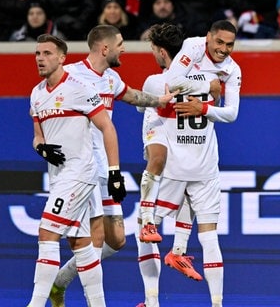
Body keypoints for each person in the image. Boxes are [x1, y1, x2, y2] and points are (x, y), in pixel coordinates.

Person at [47, 24, 205, 307]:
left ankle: (59, 281)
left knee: (116, 240)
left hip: (105, 167)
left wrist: (160, 100)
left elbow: (132, 96)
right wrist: (45, 142)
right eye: (120, 43)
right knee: (93, 238)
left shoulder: (111, 78)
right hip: (79, 168)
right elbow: (43, 101)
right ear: (104, 48)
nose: (125, 48)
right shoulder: (70, 74)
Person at [137, 20, 241, 307]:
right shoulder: (206, 69)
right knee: (209, 236)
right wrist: (210, 88)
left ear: (160, 52)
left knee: (146, 231)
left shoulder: (157, 80)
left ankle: (152, 299)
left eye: (229, 45)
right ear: (205, 40)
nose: (223, 49)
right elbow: (224, 108)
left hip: (176, 164)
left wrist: (202, 104)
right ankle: (213, 298)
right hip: (203, 162)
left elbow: (160, 89)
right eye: (219, 43)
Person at [26, 33, 126, 307]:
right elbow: (38, 135)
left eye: (47, 53)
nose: (40, 59)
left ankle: (35, 304)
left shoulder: (79, 88)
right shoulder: (36, 94)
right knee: (81, 243)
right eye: (38, 53)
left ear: (62, 58)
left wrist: (115, 172)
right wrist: (41, 148)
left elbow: (107, 126)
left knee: (47, 233)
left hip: (80, 174)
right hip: (58, 177)